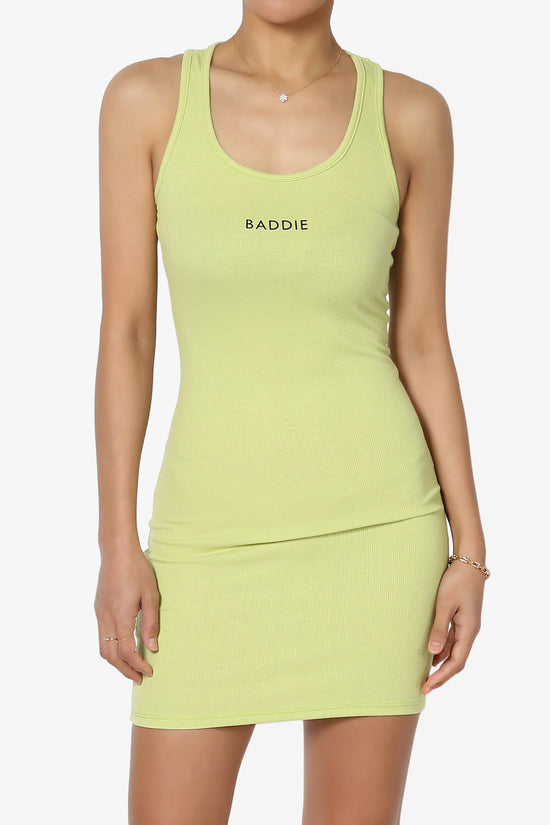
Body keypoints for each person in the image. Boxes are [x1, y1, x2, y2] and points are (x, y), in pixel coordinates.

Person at [94, 2, 489, 823]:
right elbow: (127, 335)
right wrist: (116, 542)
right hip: (204, 547)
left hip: (376, 538)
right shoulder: (146, 101)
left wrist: (471, 551)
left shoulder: (412, 116)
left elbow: (422, 341)